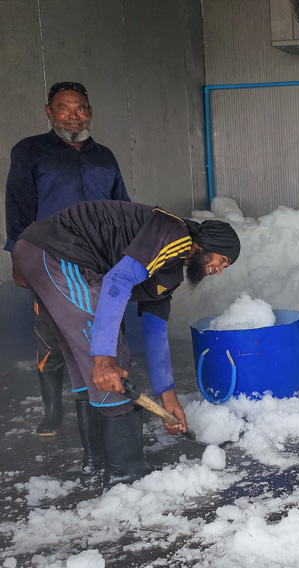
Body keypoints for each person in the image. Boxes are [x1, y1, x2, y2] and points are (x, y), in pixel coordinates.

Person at [11, 200, 240, 488]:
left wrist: (168, 397)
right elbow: (118, 280)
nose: (219, 270)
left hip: (41, 253)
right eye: (222, 260)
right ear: (206, 245)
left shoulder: (169, 270)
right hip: (58, 252)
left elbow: (155, 331)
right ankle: (126, 471)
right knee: (111, 363)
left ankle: (96, 459)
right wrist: (104, 357)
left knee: (84, 363)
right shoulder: (174, 233)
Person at [4, 81, 129, 438]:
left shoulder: (104, 156)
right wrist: (17, 258)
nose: (74, 116)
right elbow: (17, 205)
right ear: (49, 112)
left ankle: (110, 400)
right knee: (51, 334)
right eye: (64, 108)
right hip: (50, 261)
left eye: (81, 109)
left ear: (90, 113)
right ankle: (53, 409)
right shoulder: (30, 151)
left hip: (100, 261)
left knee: (108, 331)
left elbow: (122, 207)